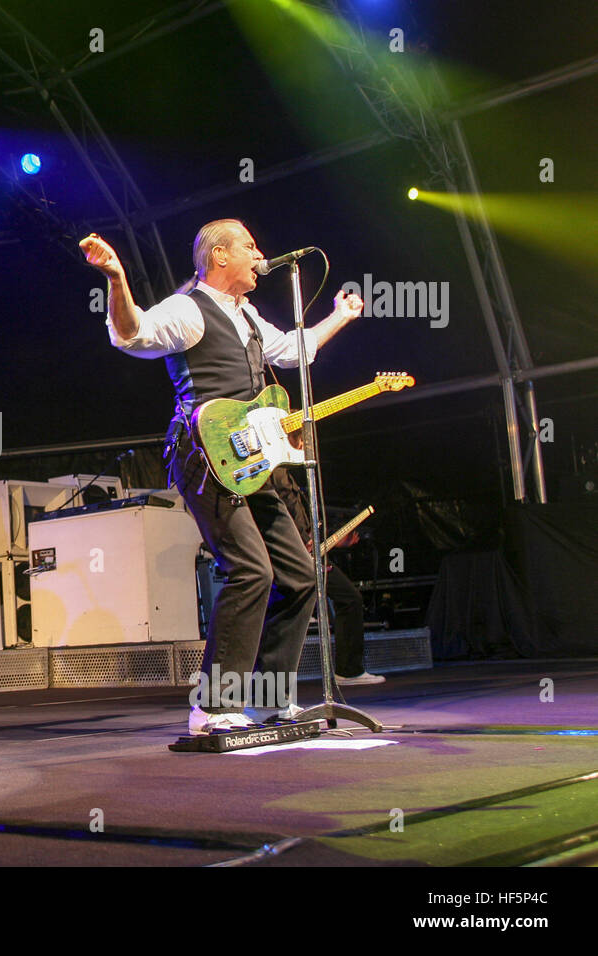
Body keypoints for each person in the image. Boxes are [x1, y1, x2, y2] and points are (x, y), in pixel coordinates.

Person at [80, 221, 363, 734]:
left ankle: (269, 697)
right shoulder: (190, 308)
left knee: (301, 576)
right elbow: (132, 333)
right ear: (219, 256)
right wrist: (117, 279)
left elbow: (294, 350)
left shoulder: (248, 316)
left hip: (254, 462)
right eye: (251, 247)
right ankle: (211, 707)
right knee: (252, 570)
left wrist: (339, 317)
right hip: (204, 457)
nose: (261, 255)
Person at [269, 469, 385, 686]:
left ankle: (349, 671)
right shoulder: (275, 474)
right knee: (285, 611)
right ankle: (272, 690)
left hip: (311, 553)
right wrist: (300, 541)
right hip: (293, 553)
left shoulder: (290, 475)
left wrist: (332, 542)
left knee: (350, 599)